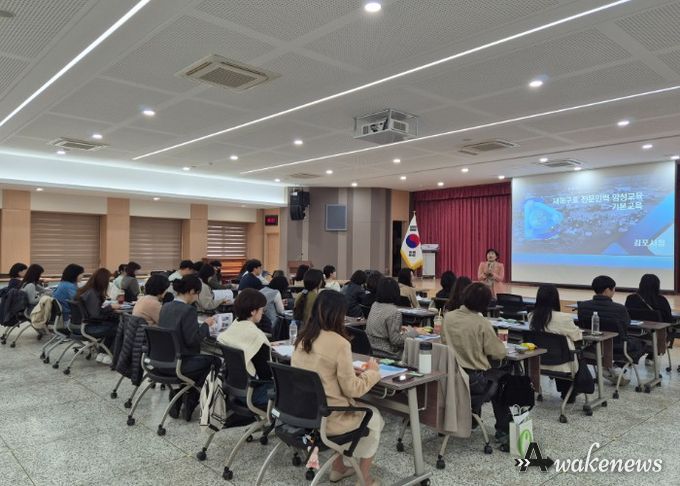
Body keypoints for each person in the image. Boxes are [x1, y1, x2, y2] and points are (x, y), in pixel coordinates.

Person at [292, 290, 383, 486]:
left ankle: (339, 468)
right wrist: (372, 372)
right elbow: (352, 390)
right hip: (330, 418)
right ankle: (365, 479)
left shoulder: (302, 338)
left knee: (342, 407)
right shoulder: (340, 343)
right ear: (338, 314)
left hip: (305, 414)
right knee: (375, 417)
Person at [441, 283, 511, 442]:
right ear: (485, 303)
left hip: (450, 378)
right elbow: (498, 353)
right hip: (474, 382)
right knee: (504, 380)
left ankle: (472, 420)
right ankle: (503, 431)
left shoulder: (448, 317)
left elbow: (444, 342)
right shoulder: (482, 323)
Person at [158, 275, 221, 421]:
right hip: (180, 362)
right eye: (198, 293)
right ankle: (192, 398)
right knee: (215, 361)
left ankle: (181, 394)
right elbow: (193, 340)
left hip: (162, 361)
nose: (197, 297)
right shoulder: (188, 310)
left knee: (202, 364)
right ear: (192, 291)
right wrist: (206, 325)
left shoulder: (166, 306)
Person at [577, 275, 644, 385]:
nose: (614, 291)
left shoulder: (582, 306)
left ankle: (609, 367)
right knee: (640, 344)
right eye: (613, 289)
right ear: (607, 290)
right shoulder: (619, 308)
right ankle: (616, 366)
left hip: (592, 346)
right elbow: (626, 325)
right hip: (617, 347)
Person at [217, 289, 273, 408]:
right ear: (253, 311)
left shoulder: (233, 328)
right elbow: (266, 375)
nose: (263, 313)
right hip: (252, 393)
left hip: (231, 387)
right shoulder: (257, 337)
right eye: (262, 309)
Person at [529, 284, 584, 402]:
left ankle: (567, 391)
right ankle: (573, 391)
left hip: (538, 362)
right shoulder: (564, 318)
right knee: (577, 353)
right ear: (556, 299)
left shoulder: (531, 316)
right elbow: (577, 336)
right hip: (563, 364)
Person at [366, 278, 426, 358]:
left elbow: (381, 327)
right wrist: (415, 332)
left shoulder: (375, 305)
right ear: (396, 291)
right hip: (389, 353)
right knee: (417, 351)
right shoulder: (394, 312)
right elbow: (396, 341)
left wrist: (399, 328)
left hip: (372, 349)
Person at [76, 268, 122, 365]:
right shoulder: (92, 293)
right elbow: (96, 314)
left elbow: (94, 312)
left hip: (85, 324)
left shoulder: (88, 290)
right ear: (103, 281)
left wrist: (109, 309)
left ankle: (102, 353)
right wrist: (110, 307)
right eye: (108, 281)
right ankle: (110, 354)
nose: (108, 284)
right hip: (90, 327)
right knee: (120, 328)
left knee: (114, 323)